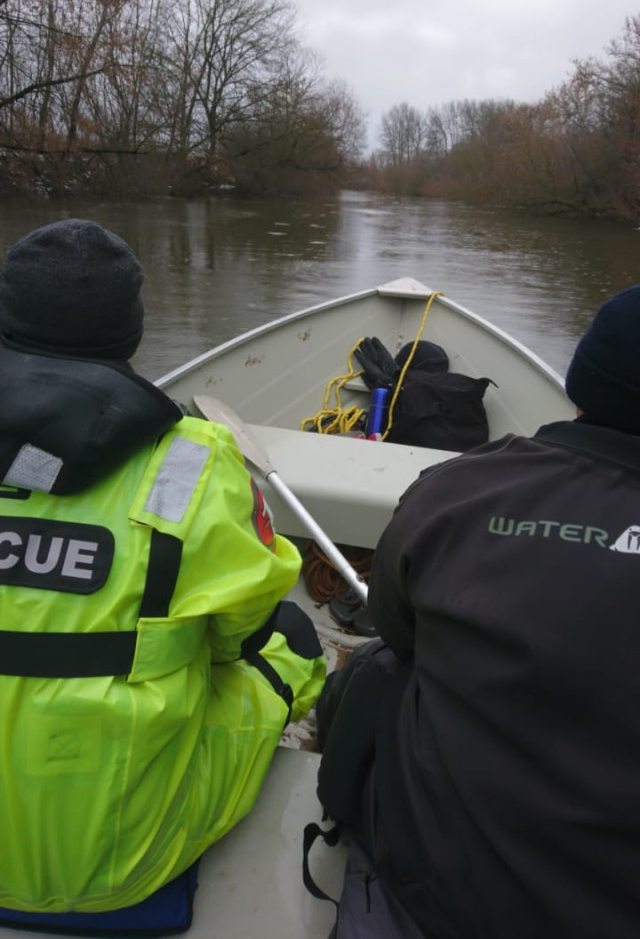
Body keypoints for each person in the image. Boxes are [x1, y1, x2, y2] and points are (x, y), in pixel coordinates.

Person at [0, 219, 325, 916]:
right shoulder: (195, 462)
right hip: (114, 866)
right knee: (292, 638)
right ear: (131, 334)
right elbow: (238, 638)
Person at [314, 285, 640, 939]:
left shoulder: (457, 487)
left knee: (378, 666)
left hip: (437, 896)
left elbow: (395, 628)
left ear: (581, 386)